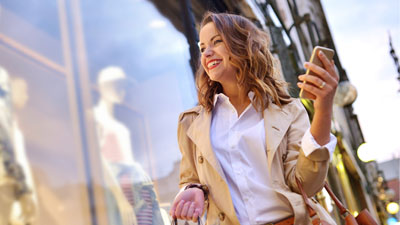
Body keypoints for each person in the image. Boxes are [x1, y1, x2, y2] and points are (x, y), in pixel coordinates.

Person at [169, 12, 339, 225]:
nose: (207, 53)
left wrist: (323, 108)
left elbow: (306, 183)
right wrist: (191, 190)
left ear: (243, 45)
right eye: (202, 48)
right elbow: (190, 179)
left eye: (217, 42)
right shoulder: (190, 123)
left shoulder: (288, 111)